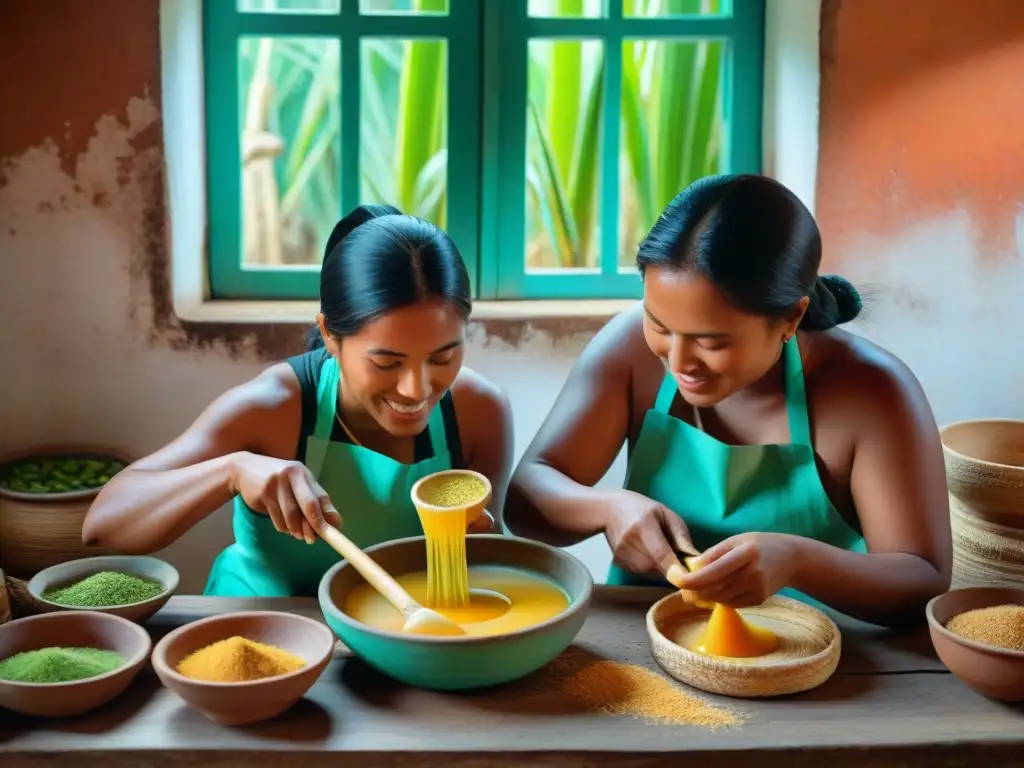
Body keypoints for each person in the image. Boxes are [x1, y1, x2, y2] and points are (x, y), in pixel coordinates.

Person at [504, 174, 951, 627]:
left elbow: (924, 581)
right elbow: (525, 500)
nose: (678, 362)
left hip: (815, 661)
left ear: (791, 317)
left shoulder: (870, 391)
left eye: (710, 342)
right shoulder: (629, 350)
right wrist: (606, 507)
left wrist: (799, 561)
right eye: (659, 325)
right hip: (645, 643)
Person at [83, 204, 514, 597]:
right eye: (386, 362)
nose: (416, 390)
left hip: (403, 637)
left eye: (443, 356)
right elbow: (104, 526)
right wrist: (232, 471)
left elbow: (482, 559)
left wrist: (473, 541)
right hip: (264, 629)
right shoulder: (274, 408)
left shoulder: (478, 413)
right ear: (329, 334)